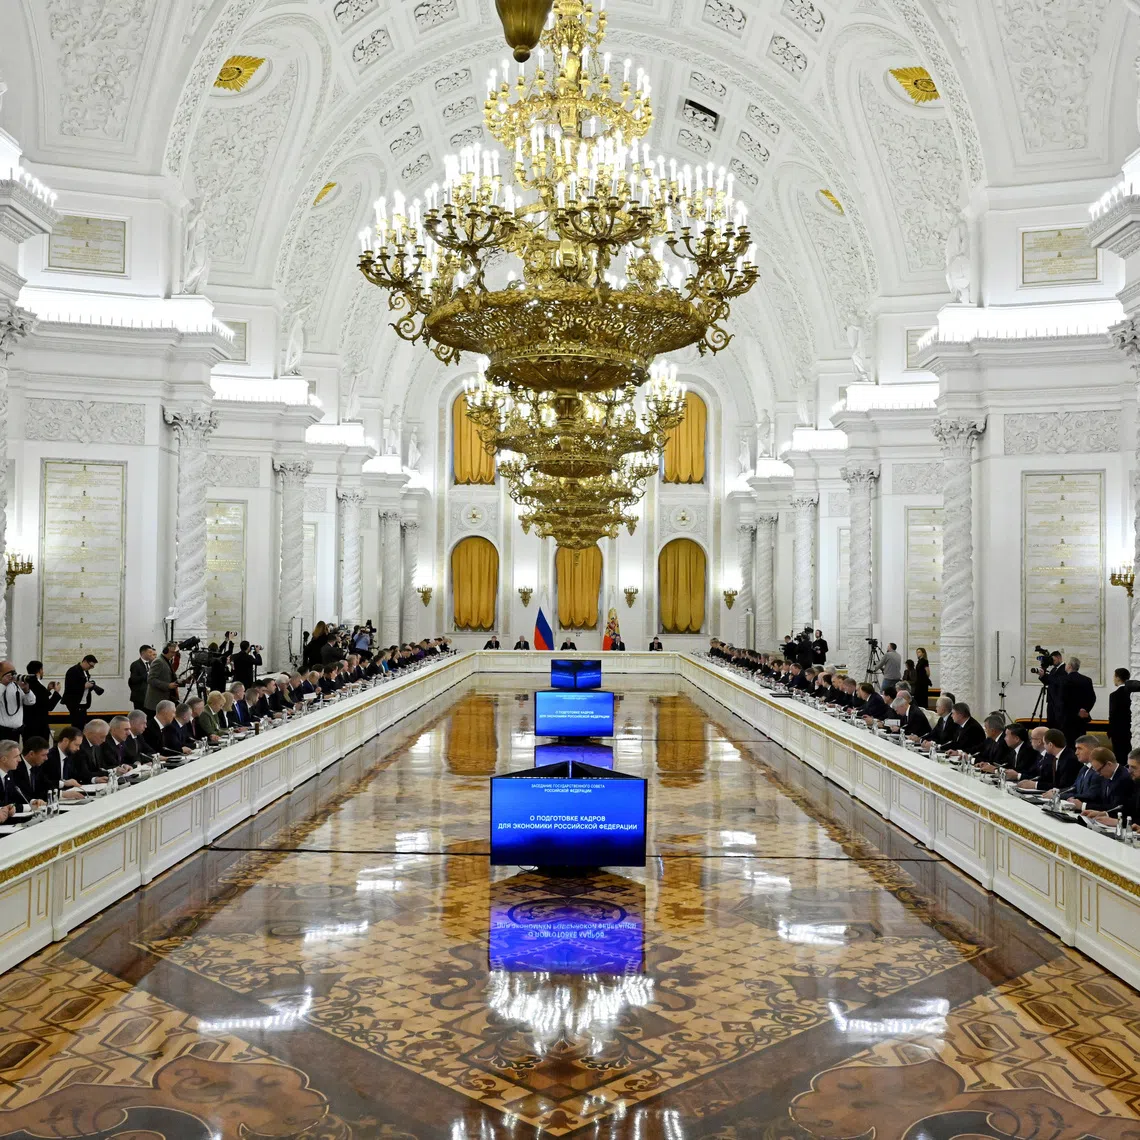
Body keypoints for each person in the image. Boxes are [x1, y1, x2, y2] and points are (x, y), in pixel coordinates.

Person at [1060, 656, 1096, 748]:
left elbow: (1063, 700)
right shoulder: (1087, 680)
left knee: (1068, 745)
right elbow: (1092, 698)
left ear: (1069, 666)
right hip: (1082, 719)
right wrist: (1084, 710)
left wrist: (1076, 711)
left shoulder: (1064, 680)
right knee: (1081, 744)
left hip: (1067, 719)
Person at [61, 654, 103, 729]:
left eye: (92, 667)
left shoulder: (85, 671)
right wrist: (84, 686)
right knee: (77, 725)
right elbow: (70, 687)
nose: (91, 668)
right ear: (85, 661)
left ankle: (80, 738)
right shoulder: (73, 671)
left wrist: (91, 686)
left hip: (83, 702)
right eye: (90, 666)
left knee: (82, 724)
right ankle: (76, 739)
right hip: (74, 702)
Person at [22, 661, 60, 742]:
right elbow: (49, 706)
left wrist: (48, 690)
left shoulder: (27, 683)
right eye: (42, 670)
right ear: (40, 670)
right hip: (38, 727)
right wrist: (56, 692)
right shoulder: (37, 685)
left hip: (28, 725)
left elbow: (38, 700)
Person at [1109, 667, 1140, 765]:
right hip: (1132, 730)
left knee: (1120, 759)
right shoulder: (1133, 694)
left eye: (1114, 676)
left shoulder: (1114, 695)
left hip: (1118, 732)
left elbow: (1113, 715)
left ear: (1118, 678)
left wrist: (1110, 731)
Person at [0, 662, 35, 745]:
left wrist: (26, 690)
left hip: (17, 732)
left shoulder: (16, 685)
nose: (12, 675)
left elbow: (31, 702)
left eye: (14, 672)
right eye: (10, 672)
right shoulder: (1, 686)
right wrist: (3, 684)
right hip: (2, 732)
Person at [145, 643, 180, 713]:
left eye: (175, 652)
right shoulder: (159, 661)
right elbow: (150, 679)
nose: (173, 655)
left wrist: (183, 681)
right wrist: (167, 685)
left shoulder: (167, 661)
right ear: (165, 651)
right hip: (156, 702)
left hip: (165, 700)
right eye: (172, 652)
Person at [129, 645, 156, 710]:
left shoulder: (152, 663)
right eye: (149, 652)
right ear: (143, 653)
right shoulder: (135, 664)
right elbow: (133, 679)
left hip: (150, 697)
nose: (151, 654)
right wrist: (147, 675)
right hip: (139, 697)